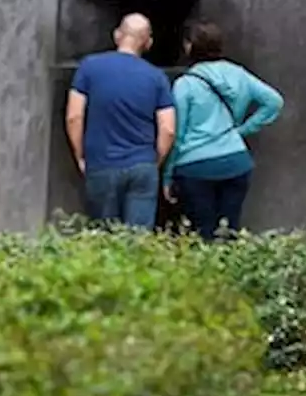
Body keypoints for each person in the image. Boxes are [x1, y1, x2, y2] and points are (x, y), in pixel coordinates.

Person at [162, 21, 284, 240]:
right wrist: (242, 130)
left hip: (194, 166)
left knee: (202, 233)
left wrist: (168, 175)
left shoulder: (186, 83)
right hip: (236, 161)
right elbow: (274, 101)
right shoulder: (238, 73)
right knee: (229, 230)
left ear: (190, 47)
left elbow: (177, 134)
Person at [65, 13, 176, 229]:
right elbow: (168, 128)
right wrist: (154, 162)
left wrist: (80, 156)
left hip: (101, 163)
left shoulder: (89, 67)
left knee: (105, 239)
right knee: (137, 241)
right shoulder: (157, 77)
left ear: (117, 35)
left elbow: (74, 116)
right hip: (142, 165)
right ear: (149, 42)